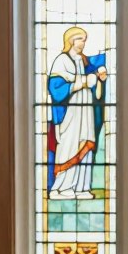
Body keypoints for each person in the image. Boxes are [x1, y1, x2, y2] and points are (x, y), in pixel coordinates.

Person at [47, 26, 107, 200]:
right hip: (70, 113)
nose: (83, 42)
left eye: (84, 39)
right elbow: (56, 88)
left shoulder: (84, 61)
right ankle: (62, 187)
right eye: (80, 39)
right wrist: (82, 82)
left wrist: (98, 79)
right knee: (69, 146)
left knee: (86, 142)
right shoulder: (61, 60)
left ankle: (82, 187)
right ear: (71, 40)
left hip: (85, 110)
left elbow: (94, 87)